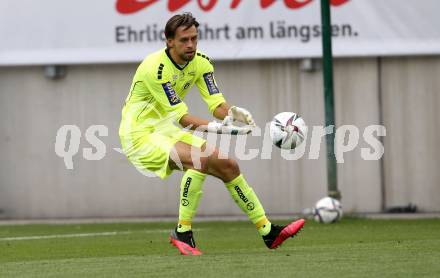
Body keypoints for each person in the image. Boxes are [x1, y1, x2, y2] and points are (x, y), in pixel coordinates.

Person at [119, 13, 305, 256]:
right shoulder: (155, 68)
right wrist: (221, 129)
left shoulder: (202, 63)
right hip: (139, 135)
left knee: (228, 165)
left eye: (194, 39)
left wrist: (233, 113)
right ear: (169, 41)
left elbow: (216, 104)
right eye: (184, 40)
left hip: (166, 131)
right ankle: (182, 232)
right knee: (199, 159)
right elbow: (183, 119)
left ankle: (268, 232)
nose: (191, 45)